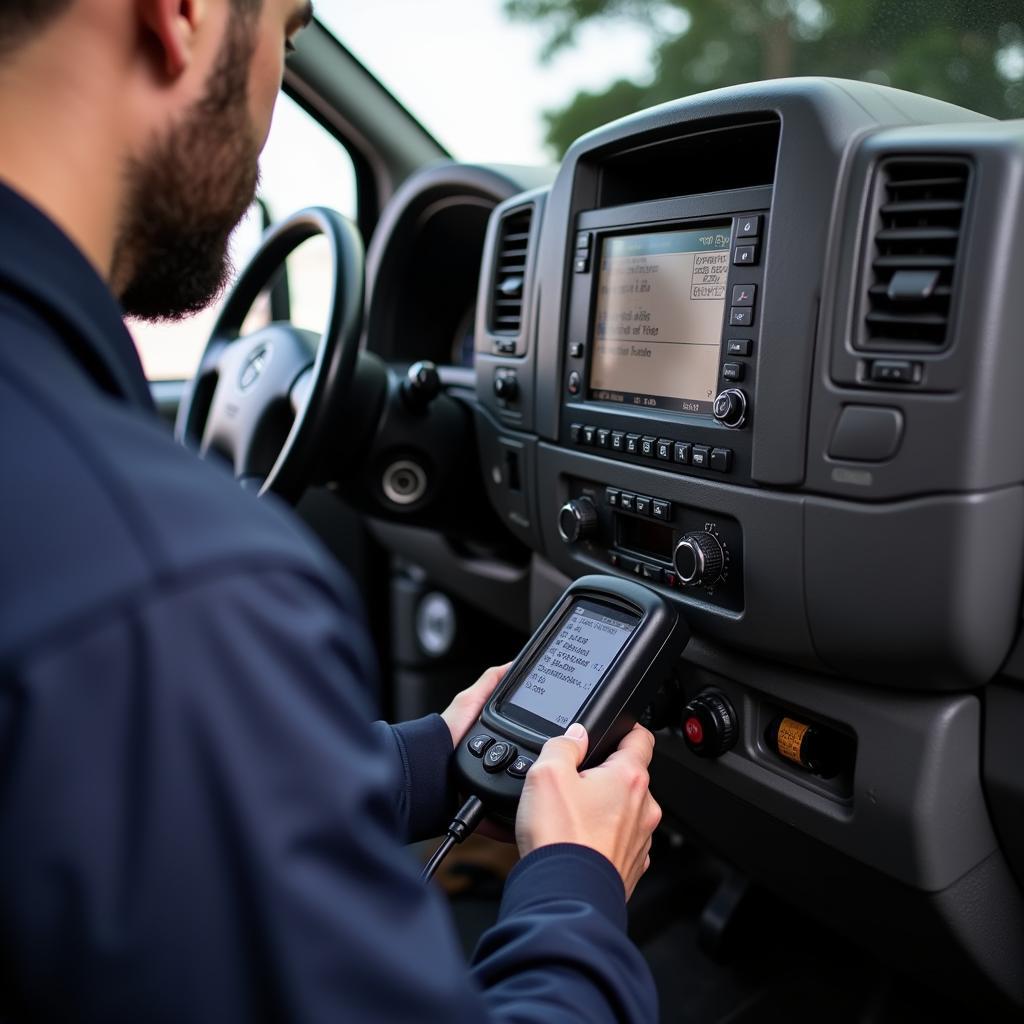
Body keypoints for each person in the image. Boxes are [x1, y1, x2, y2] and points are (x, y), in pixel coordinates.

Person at [0, 1, 663, 1021]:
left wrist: (425, 759)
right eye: (289, 34)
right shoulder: (170, 593)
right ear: (180, 16)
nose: (271, 94)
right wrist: (574, 883)